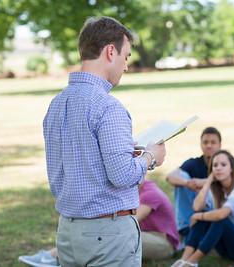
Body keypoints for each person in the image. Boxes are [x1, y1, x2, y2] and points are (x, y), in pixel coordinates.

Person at [43, 16, 166, 267]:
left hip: (68, 231)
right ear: (111, 51)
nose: (126, 66)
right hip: (109, 235)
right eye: (127, 56)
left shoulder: (56, 104)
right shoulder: (108, 106)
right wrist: (151, 157)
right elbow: (121, 175)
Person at [18, 178, 179, 266]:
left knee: (118, 233)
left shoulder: (150, 193)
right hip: (147, 236)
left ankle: (50, 258)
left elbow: (133, 220)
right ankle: (51, 257)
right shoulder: (138, 190)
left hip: (163, 243)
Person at [171, 150, 234, 267]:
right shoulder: (216, 190)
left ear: (231, 168)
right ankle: (183, 259)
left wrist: (197, 216)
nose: (218, 168)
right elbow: (197, 207)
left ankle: (191, 262)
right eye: (215, 165)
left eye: (223, 165)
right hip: (227, 249)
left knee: (220, 220)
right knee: (204, 215)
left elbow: (221, 214)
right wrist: (208, 182)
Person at [166, 127, 234, 242]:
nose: (209, 146)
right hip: (198, 204)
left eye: (213, 142)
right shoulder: (193, 163)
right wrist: (187, 183)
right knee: (181, 180)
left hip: (222, 206)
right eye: (205, 142)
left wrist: (202, 183)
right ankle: (185, 230)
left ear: (220, 144)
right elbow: (170, 177)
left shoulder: (229, 161)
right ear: (201, 144)